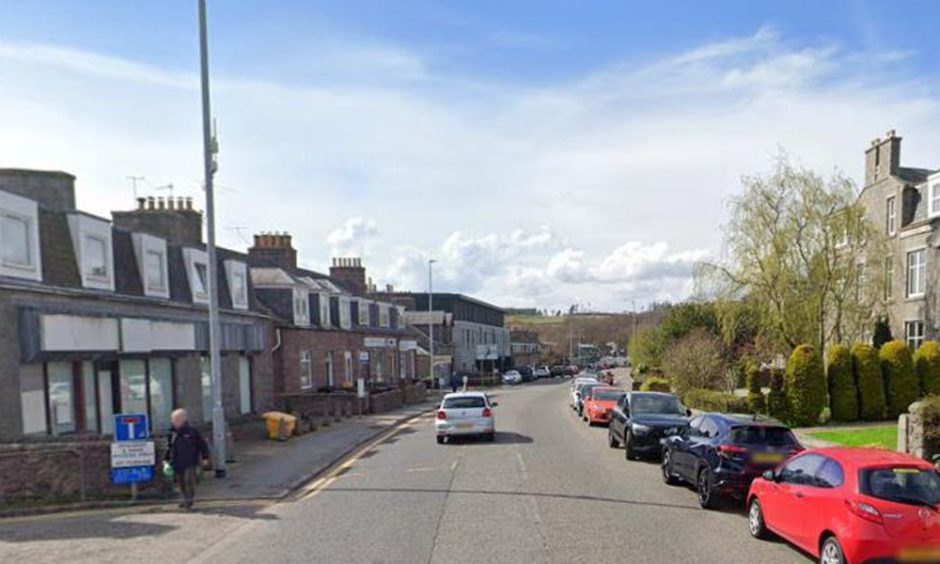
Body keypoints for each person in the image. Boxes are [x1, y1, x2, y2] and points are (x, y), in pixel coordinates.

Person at [165, 409, 210, 510]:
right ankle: (184, 499)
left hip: (190, 461)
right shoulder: (171, 433)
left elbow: (202, 445)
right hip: (177, 461)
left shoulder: (192, 431)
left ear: (183, 419)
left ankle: (189, 501)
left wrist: (205, 457)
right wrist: (166, 459)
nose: (174, 421)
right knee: (180, 482)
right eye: (173, 419)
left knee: (188, 480)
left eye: (176, 419)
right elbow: (168, 447)